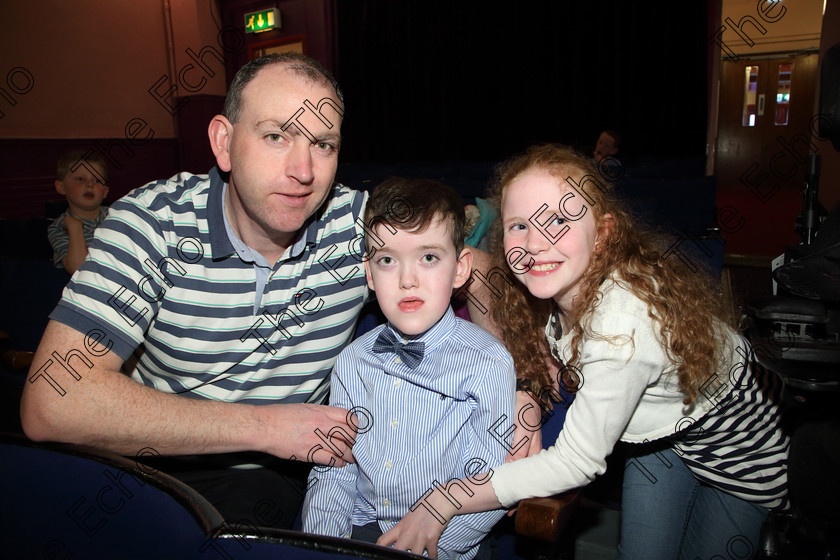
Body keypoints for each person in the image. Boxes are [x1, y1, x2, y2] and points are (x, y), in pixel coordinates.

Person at [21, 53, 515, 531]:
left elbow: (479, 264)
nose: (303, 171)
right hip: (159, 463)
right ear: (223, 142)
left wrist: (519, 392)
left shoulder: (355, 225)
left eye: (323, 144)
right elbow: (52, 402)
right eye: (277, 135)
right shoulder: (154, 224)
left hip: (275, 481)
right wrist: (267, 427)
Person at [378, 144, 790, 559]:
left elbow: (576, 463)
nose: (536, 242)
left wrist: (447, 499)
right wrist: (533, 389)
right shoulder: (552, 287)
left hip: (739, 454)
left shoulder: (623, 325)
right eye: (519, 225)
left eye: (559, 219)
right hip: (665, 438)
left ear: (604, 234)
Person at [302, 177, 515, 559]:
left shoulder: (489, 363)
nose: (407, 279)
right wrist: (323, 547)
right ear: (369, 274)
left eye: (428, 257)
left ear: (461, 268)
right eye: (387, 260)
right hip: (357, 530)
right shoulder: (353, 360)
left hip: (445, 540)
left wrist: (425, 548)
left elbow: (489, 483)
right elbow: (334, 470)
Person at [47, 150, 109, 274]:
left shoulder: (117, 215)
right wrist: (74, 227)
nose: (90, 185)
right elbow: (79, 269)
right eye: (80, 179)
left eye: (97, 180)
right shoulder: (59, 227)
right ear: (61, 187)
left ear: (105, 192)